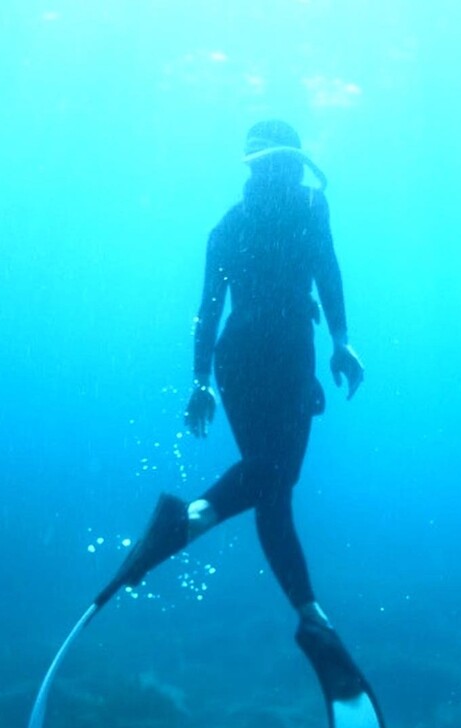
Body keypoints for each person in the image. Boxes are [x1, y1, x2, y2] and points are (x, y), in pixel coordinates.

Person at [97, 119, 365, 660]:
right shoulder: (310, 208)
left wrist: (202, 380)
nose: (282, 173)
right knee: (275, 476)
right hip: (283, 355)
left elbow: (208, 313)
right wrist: (339, 340)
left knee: (272, 486)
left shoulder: (227, 226)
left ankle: (307, 611)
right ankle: (191, 521)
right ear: (285, 164)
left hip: (239, 360)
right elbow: (326, 273)